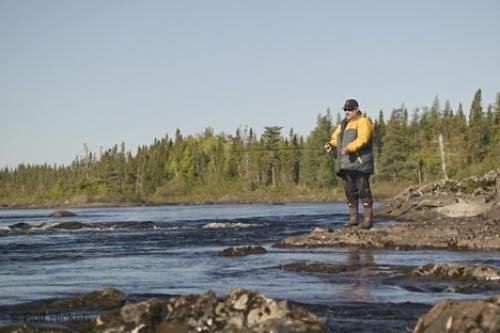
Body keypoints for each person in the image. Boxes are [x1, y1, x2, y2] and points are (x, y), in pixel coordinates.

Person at [324, 99, 375, 229]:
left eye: (350, 109)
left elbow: (363, 139)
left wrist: (349, 148)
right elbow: (335, 139)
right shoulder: (342, 125)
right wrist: (331, 145)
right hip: (345, 165)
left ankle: (367, 221)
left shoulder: (363, 122)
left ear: (356, 109)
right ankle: (354, 219)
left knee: (364, 191)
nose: (347, 111)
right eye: (345, 109)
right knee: (350, 193)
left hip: (360, 164)